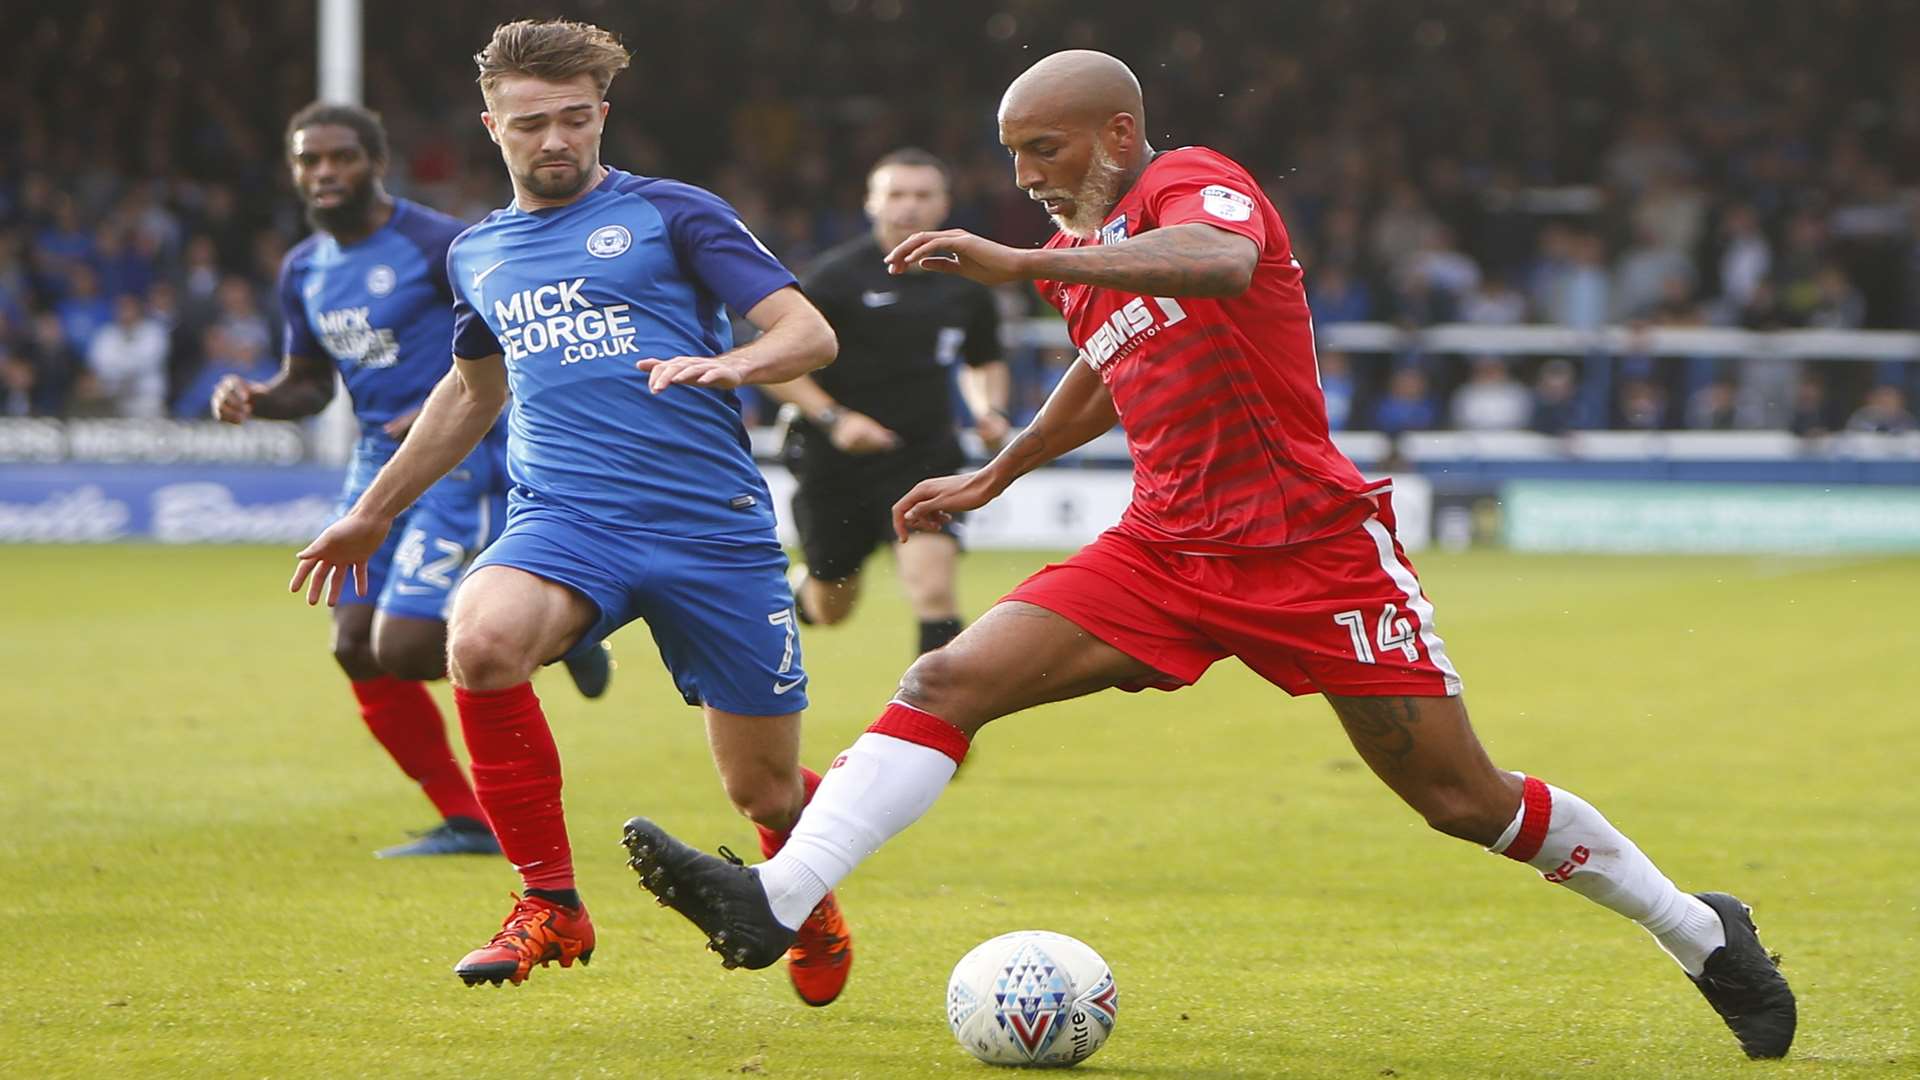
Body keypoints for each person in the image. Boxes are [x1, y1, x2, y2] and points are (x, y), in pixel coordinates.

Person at [619, 50, 1797, 1060]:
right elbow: (1104, 364)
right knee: (943, 682)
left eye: (1043, 150)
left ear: (1118, 133)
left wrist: (1028, 267)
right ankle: (780, 898)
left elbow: (1219, 266)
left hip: (1312, 552)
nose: (1026, 179)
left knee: (1459, 797)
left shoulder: (1194, 185)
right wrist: (1000, 472)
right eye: (1014, 156)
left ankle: (1700, 931)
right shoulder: (1087, 251)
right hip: (1164, 549)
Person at [288, 19, 852, 1002]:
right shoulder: (476, 254)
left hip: (711, 527)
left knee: (761, 788)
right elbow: (470, 392)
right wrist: (376, 510)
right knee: (481, 636)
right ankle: (549, 900)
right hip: (570, 518)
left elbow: (806, 332)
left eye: (575, 119)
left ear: (602, 115)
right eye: (532, 123)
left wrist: (736, 363)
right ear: (491, 127)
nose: (555, 141)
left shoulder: (676, 215)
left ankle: (804, 895)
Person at [223, 104, 609, 860]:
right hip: (374, 461)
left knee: (401, 647)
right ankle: (466, 819)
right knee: (352, 647)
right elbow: (309, 385)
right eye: (310, 161)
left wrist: (439, 406)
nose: (326, 173)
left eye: (342, 157)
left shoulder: (440, 245)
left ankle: (567, 629)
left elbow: (508, 347)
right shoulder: (304, 267)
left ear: (376, 162)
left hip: (461, 461)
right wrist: (259, 399)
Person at [769, 148, 1009, 654]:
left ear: (945, 204)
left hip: (924, 456)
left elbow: (981, 359)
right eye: (896, 194)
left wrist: (989, 409)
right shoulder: (834, 278)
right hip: (835, 461)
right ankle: (802, 594)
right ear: (871, 203)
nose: (909, 206)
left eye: (923, 195)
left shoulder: (968, 284)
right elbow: (773, 364)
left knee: (934, 589)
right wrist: (837, 421)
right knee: (831, 608)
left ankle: (936, 721)